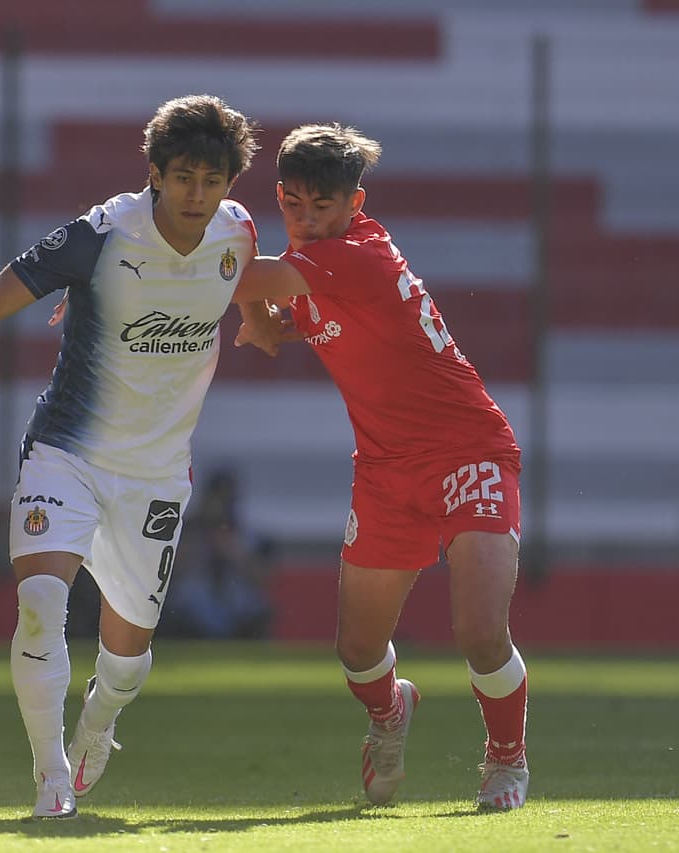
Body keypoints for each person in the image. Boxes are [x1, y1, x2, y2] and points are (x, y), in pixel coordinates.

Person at [0, 94, 262, 820]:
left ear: (228, 185)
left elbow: (238, 277)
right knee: (41, 606)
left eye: (211, 179)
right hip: (66, 451)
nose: (196, 193)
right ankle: (51, 778)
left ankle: (99, 721)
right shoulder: (99, 236)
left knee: (125, 662)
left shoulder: (238, 233)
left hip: (157, 474)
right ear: (155, 173)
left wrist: (261, 317)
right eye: (182, 175)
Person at [232, 124, 530, 811]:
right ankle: (390, 710)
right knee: (359, 649)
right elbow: (276, 318)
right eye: (297, 205)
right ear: (282, 195)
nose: (311, 219)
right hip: (386, 471)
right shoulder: (311, 265)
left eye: (326, 207)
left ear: (355, 203)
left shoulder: (354, 255)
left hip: (468, 451)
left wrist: (132, 275)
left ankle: (506, 760)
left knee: (480, 632)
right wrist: (262, 315)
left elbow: (244, 277)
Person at [159, 468, 273, 639]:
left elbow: (262, 579)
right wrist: (196, 535)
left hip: (235, 605)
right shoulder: (185, 529)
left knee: (260, 611)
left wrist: (231, 548)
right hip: (192, 607)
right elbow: (167, 573)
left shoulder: (248, 533)